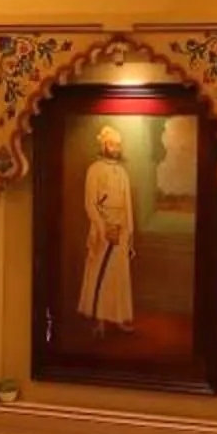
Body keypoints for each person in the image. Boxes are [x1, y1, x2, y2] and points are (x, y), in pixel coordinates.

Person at [77, 122, 136, 332]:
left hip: (120, 231)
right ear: (104, 145)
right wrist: (103, 229)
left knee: (118, 276)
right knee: (99, 274)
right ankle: (99, 321)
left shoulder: (122, 173)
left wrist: (128, 233)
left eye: (118, 145)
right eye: (112, 145)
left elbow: (127, 205)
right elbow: (90, 203)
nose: (116, 149)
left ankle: (118, 318)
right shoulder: (94, 170)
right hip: (102, 232)